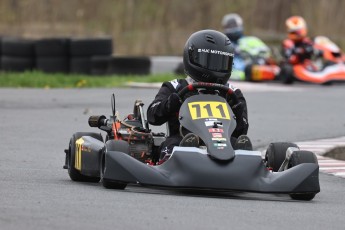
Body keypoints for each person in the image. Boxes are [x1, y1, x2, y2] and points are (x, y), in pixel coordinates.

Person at [147, 29, 251, 163]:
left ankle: (241, 163)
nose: (215, 68)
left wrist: (237, 111)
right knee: (172, 144)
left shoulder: (232, 93)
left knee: (237, 143)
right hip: (183, 138)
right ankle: (181, 158)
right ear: (191, 57)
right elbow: (152, 116)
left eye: (221, 62)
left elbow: (241, 131)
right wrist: (171, 103)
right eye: (209, 61)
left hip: (221, 142)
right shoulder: (176, 87)